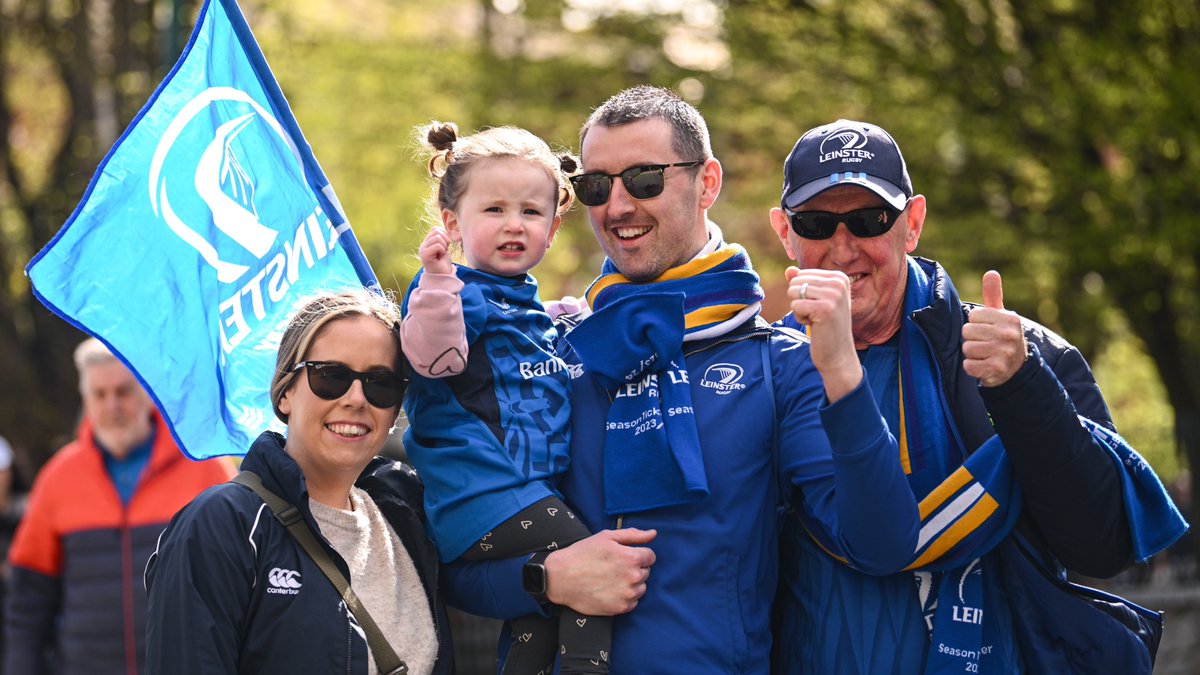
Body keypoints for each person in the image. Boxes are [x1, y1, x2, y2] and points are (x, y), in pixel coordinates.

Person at [445, 86, 927, 674]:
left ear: (708, 183)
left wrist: (844, 376)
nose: (618, 206)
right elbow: (459, 566)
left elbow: (882, 545)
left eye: (645, 179)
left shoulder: (781, 363)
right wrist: (546, 580)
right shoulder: (549, 351)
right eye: (597, 186)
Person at [768, 119, 1188, 673]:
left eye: (870, 220)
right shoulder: (761, 370)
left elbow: (1103, 547)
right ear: (785, 232)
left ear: (911, 223)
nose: (843, 249)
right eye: (818, 223)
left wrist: (1023, 387)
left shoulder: (1016, 353)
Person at [144, 290, 454, 675]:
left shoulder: (413, 516)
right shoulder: (223, 524)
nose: (357, 398)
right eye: (331, 376)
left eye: (380, 383)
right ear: (286, 391)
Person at [400, 122, 609, 674]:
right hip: (483, 497)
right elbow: (431, 358)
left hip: (524, 495)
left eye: (531, 212)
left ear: (553, 227)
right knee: (594, 566)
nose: (513, 224)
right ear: (453, 222)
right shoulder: (452, 296)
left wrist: (571, 323)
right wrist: (437, 283)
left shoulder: (528, 309)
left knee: (536, 623)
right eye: (493, 210)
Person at [4, 338, 235, 675]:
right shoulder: (57, 478)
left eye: (123, 391)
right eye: (99, 394)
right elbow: (27, 606)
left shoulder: (205, 468)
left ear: (147, 393)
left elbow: (244, 585)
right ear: (86, 399)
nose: (112, 405)